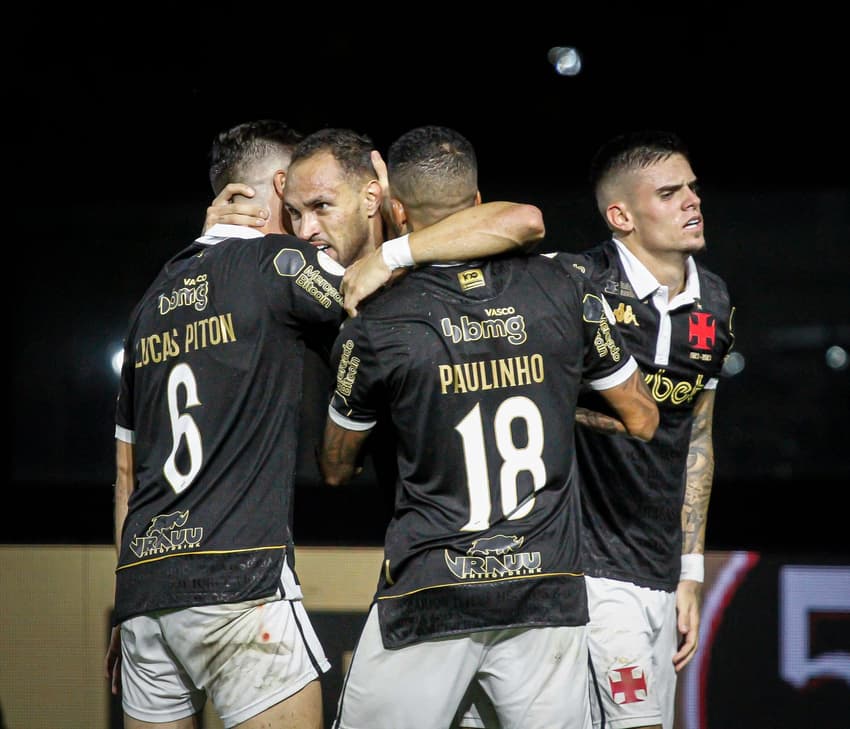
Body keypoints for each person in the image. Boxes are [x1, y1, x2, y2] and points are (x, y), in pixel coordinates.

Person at [105, 120, 547, 729]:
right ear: (274, 193)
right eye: (294, 208)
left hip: (146, 591)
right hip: (245, 578)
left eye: (317, 205)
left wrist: (130, 594)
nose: (305, 227)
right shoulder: (278, 264)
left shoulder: (148, 303)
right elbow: (374, 302)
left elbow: (126, 471)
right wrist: (393, 238)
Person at [317, 125, 659, 729]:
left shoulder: (377, 323)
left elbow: (336, 467)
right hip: (545, 589)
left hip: (431, 592)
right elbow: (641, 416)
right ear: (477, 202)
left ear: (397, 210)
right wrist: (558, 404)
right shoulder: (569, 284)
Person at [565, 130, 735, 729]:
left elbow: (697, 440)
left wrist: (690, 575)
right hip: (584, 565)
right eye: (669, 193)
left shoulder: (714, 302)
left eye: (691, 188)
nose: (692, 201)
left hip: (660, 571)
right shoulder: (577, 286)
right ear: (622, 215)